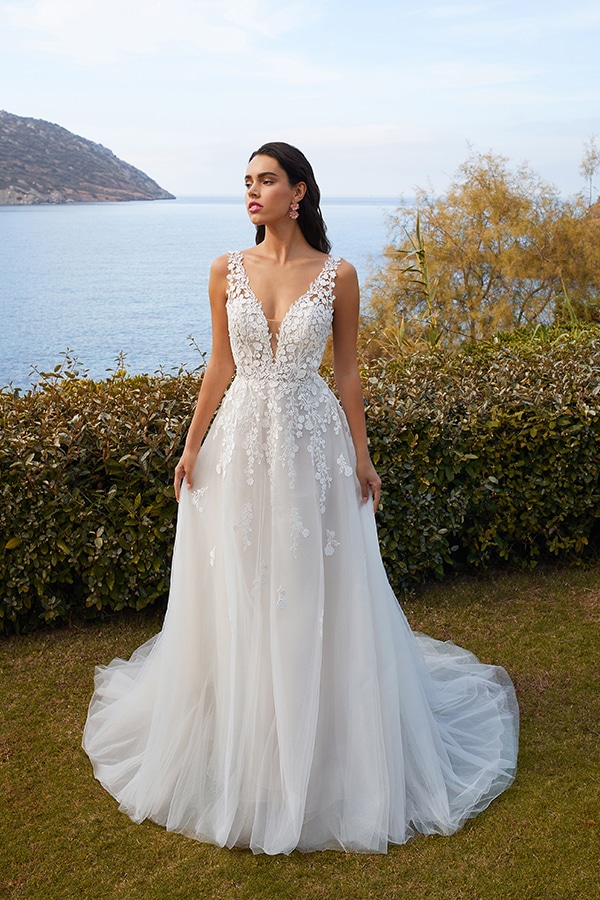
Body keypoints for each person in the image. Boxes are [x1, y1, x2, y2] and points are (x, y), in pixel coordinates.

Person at [83, 142, 519, 855]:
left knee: (314, 587)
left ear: (300, 191)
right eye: (246, 182)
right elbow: (220, 364)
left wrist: (364, 457)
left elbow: (348, 375)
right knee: (245, 584)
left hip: (313, 447)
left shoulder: (338, 275)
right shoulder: (227, 268)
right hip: (241, 445)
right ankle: (247, 733)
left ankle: (321, 734)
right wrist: (192, 446)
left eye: (266, 180)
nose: (252, 192)